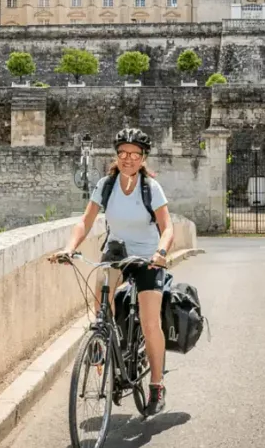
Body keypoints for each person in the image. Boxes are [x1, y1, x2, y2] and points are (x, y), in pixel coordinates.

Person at [51, 127, 176, 415]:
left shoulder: (150, 188)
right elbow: (85, 221)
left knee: (149, 322)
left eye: (134, 154)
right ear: (116, 155)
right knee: (101, 293)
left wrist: (160, 253)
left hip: (147, 258)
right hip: (117, 252)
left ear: (143, 157)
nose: (128, 158)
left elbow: (167, 227)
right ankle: (103, 340)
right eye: (123, 153)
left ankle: (157, 385)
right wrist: (69, 248)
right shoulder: (106, 185)